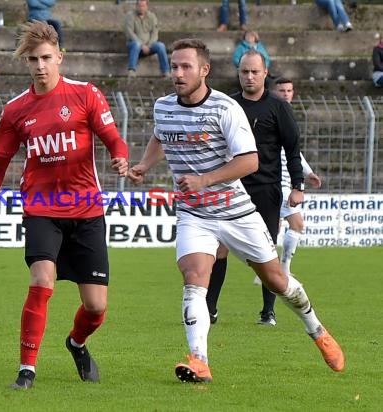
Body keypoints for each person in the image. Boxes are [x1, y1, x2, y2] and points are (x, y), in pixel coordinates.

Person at [128, 38, 344, 383]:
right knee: (194, 277)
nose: (178, 74)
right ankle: (199, 360)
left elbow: (250, 160)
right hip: (194, 214)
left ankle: (316, 328)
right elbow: (161, 136)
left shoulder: (226, 108)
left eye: (186, 67)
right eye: (174, 66)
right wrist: (143, 165)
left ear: (204, 70)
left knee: (276, 280)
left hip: (237, 212)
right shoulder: (163, 106)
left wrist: (205, 179)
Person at [0, 21, 129, 390]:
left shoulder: (86, 95)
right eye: (32, 59)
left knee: (96, 308)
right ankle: (27, 370)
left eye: (45, 58)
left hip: (87, 209)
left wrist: (120, 158)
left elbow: (114, 139)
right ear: (25, 62)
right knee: (42, 279)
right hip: (41, 208)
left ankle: (76, 343)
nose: (39, 65)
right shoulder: (15, 110)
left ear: (60, 57)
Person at [205, 50, 306, 327]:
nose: (249, 77)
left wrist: (297, 186)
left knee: (266, 251)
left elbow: (292, 147)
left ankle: (267, 312)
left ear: (265, 73)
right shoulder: (227, 104)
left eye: (254, 72)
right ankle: (209, 310)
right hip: (230, 186)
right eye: (244, 72)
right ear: (238, 73)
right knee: (219, 248)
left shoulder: (278, 106)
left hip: (266, 189)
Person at [272, 77, 322, 277]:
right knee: (293, 224)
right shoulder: (273, 113)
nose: (285, 94)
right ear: (274, 92)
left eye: (289, 90)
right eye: (281, 90)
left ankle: (271, 270)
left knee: (276, 227)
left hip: (284, 181)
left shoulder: (288, 116)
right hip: (273, 180)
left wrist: (308, 172)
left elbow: (294, 152)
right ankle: (279, 269)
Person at [124, 0, 170, 79]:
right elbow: (130, 33)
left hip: (149, 45)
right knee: (136, 45)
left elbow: (155, 33)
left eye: (143, 6)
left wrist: (149, 45)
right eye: (139, 6)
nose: (141, 8)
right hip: (134, 45)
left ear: (147, 6)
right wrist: (142, 45)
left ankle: (166, 72)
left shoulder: (152, 16)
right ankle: (131, 71)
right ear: (136, 6)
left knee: (160, 46)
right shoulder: (130, 16)